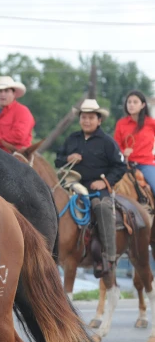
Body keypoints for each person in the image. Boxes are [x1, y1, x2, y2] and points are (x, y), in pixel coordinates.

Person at [55, 99, 126, 276]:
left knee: (102, 207)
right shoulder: (72, 139)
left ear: (99, 120)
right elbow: (58, 160)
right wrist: (67, 159)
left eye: (91, 117)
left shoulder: (107, 142)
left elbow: (120, 166)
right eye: (83, 117)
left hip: (96, 188)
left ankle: (109, 256)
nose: (86, 121)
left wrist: (105, 182)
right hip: (72, 186)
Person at [114, 90, 155, 192]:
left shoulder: (151, 123)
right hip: (125, 164)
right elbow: (116, 145)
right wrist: (123, 152)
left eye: (135, 102)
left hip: (145, 165)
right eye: (129, 102)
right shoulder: (121, 123)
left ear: (143, 105)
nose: (131, 105)